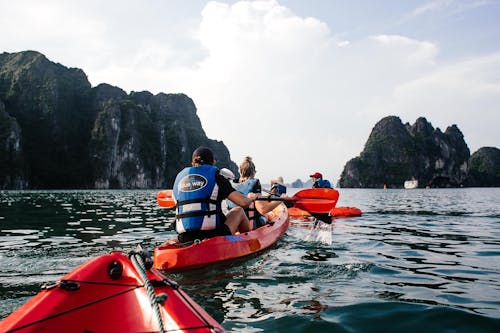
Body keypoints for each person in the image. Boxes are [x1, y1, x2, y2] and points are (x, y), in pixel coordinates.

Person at [172, 147, 259, 243]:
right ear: (212, 162)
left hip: (185, 237)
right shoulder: (217, 177)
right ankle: (247, 243)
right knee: (238, 211)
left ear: (193, 162)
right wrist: (251, 198)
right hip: (213, 235)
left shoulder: (179, 180)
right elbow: (243, 202)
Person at [227, 156, 285, 228]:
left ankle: (274, 189)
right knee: (266, 215)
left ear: (240, 171)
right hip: (252, 226)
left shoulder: (230, 184)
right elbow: (262, 210)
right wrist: (281, 200)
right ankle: (275, 187)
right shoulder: (255, 183)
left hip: (234, 226)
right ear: (253, 172)